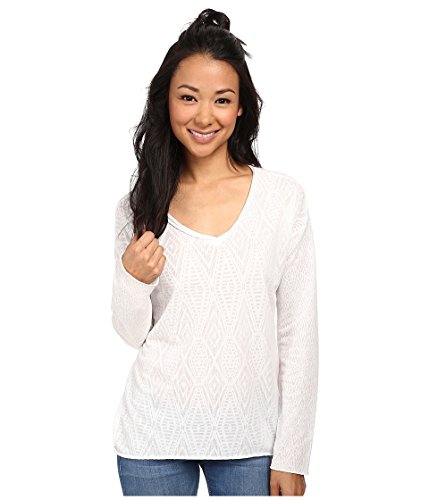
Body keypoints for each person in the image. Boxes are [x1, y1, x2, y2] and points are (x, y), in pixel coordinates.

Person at [111, 8, 318, 496]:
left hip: (251, 438)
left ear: (241, 107)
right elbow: (131, 333)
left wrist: (293, 454)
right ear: (166, 101)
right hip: (152, 436)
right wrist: (132, 279)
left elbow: (298, 335)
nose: (204, 116)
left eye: (222, 100)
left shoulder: (281, 200)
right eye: (188, 97)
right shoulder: (139, 204)